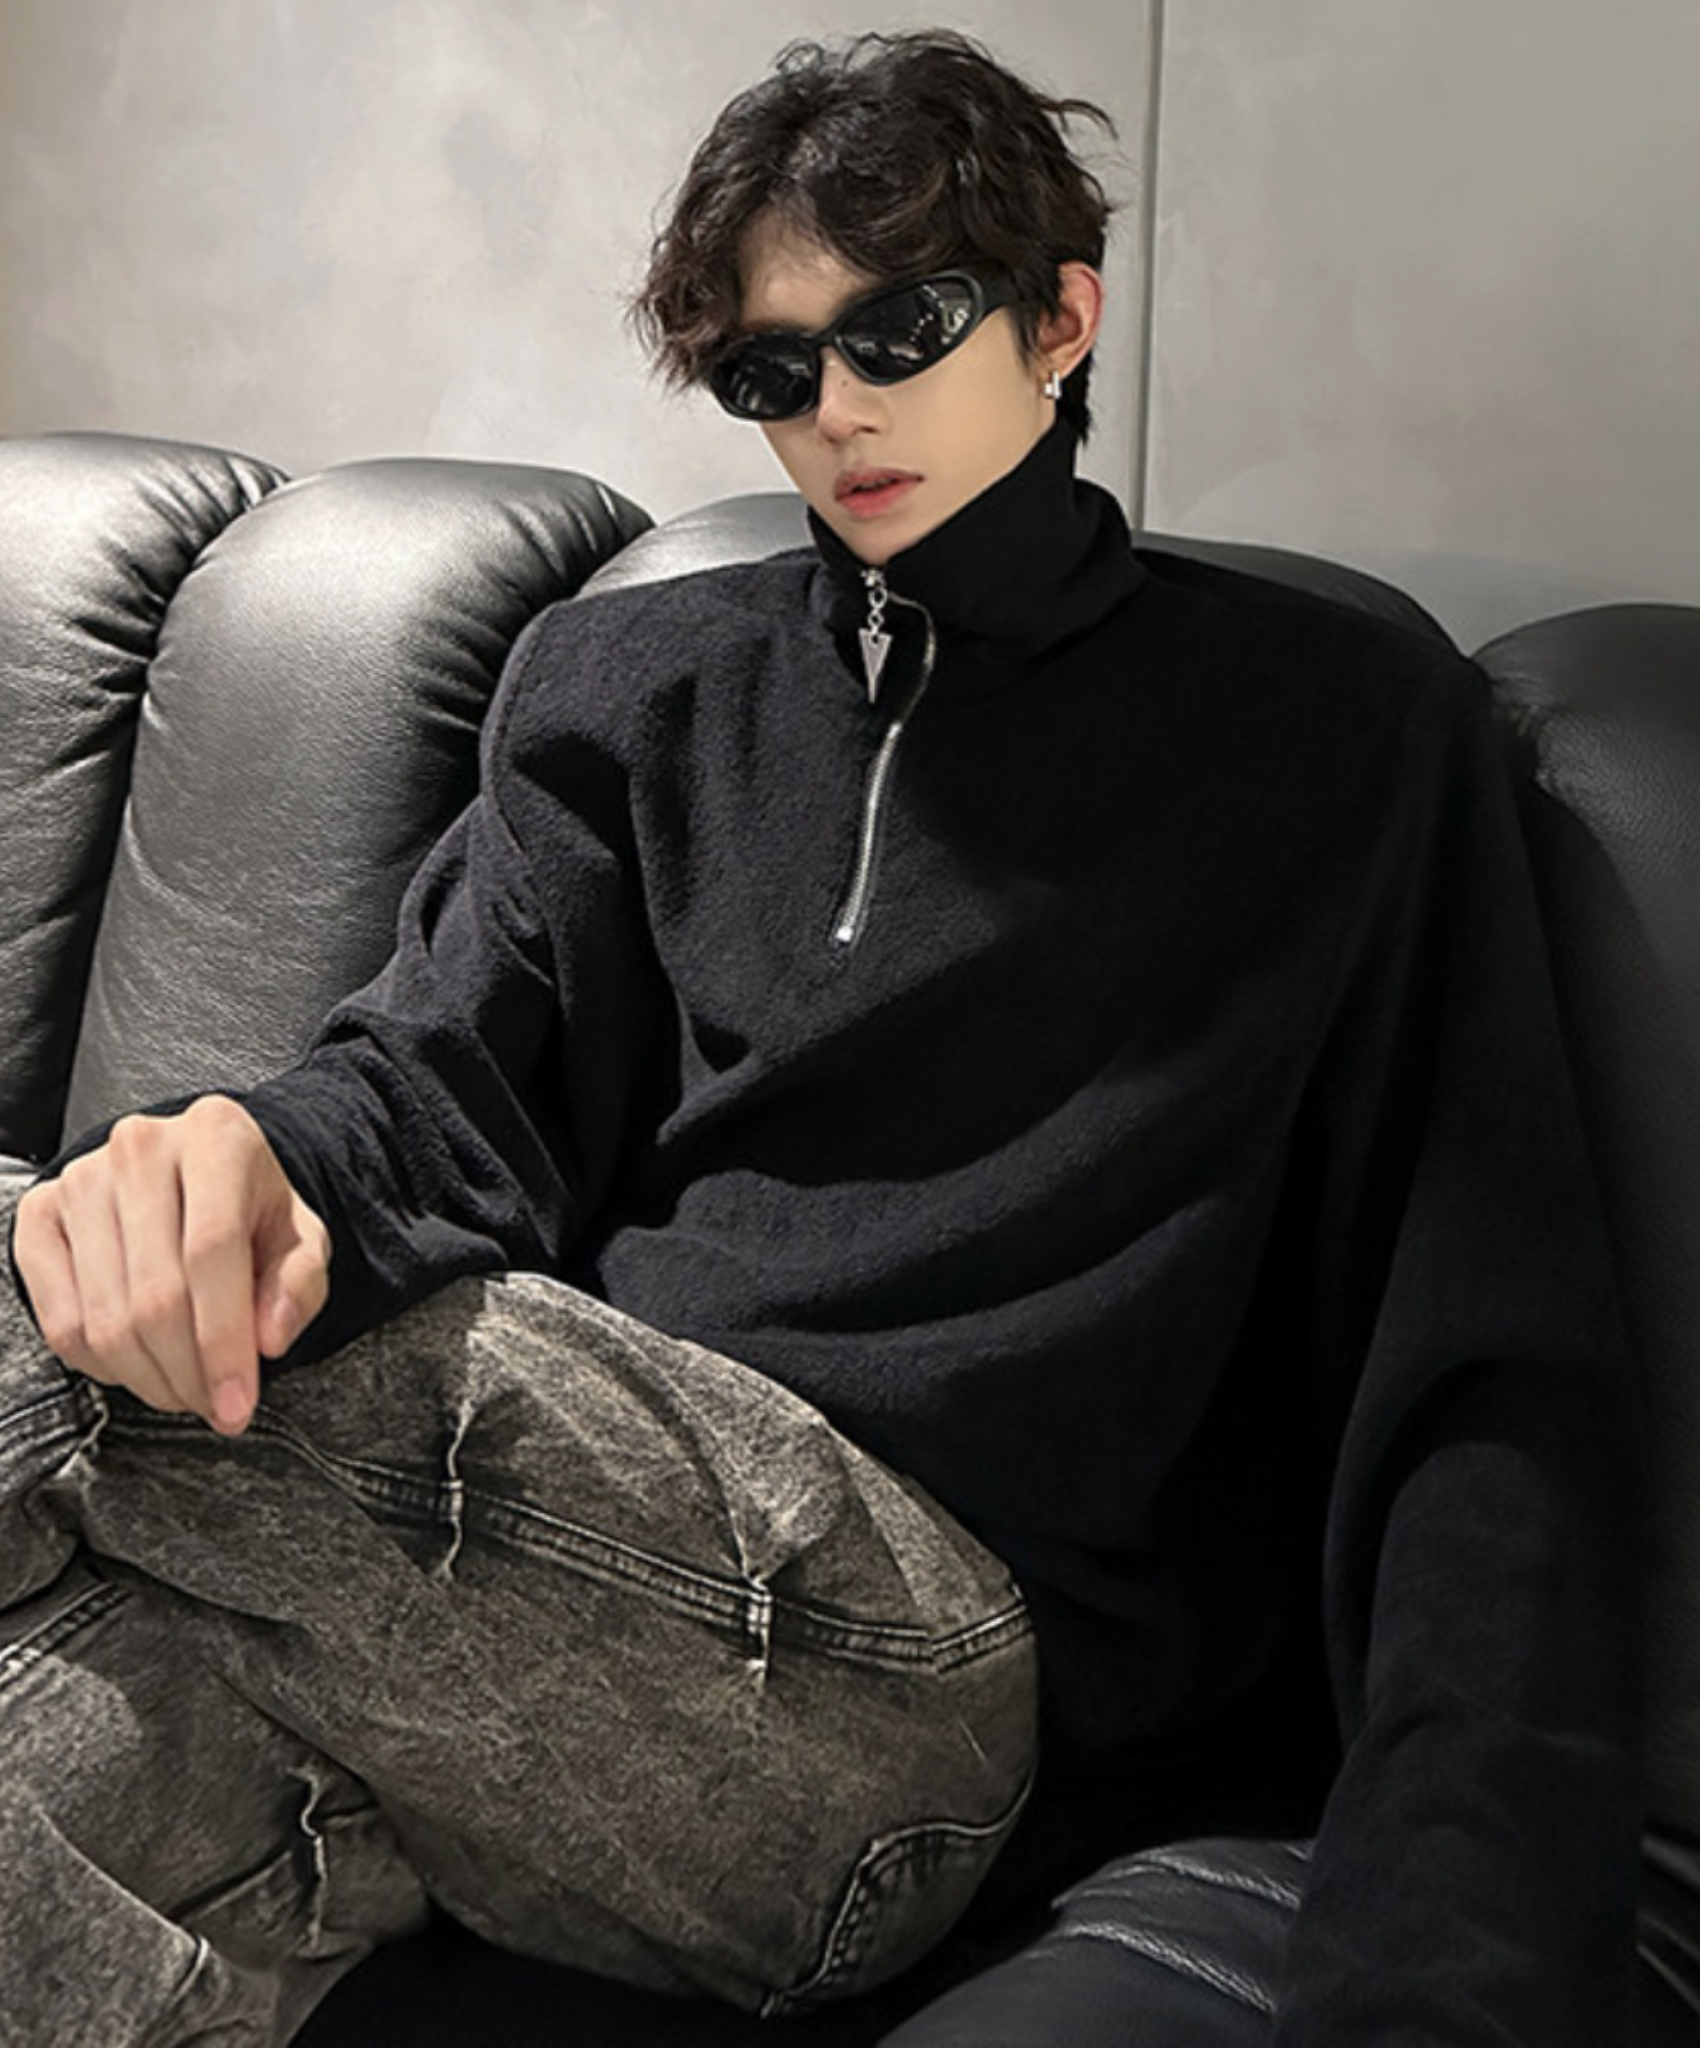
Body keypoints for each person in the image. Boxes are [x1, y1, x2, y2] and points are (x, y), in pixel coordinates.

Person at [1, 28, 1642, 2047]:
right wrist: (239, 1156)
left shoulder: (1341, 733)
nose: (839, 409)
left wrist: (1449, 1992)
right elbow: (433, 1097)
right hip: (523, 1626)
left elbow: (1485, 1380)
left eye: (901, 329)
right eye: (774, 371)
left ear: (1062, 319)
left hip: (920, 1679)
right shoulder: (625, 684)